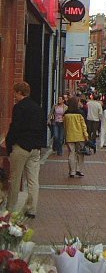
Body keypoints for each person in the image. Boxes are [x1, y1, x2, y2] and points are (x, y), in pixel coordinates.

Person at [4, 82, 47, 217]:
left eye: (15, 93)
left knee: (15, 179)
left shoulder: (19, 108)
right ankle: (31, 208)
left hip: (21, 146)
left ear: (19, 93)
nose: (14, 96)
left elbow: (14, 127)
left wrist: (9, 144)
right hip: (35, 148)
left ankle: (10, 209)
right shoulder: (38, 108)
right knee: (33, 180)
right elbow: (42, 127)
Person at [64, 96, 89, 178]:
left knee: (71, 153)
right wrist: (86, 136)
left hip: (70, 136)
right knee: (80, 153)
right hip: (80, 136)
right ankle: (79, 169)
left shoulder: (66, 114)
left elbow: (64, 126)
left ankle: (72, 171)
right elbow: (83, 126)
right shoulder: (80, 113)